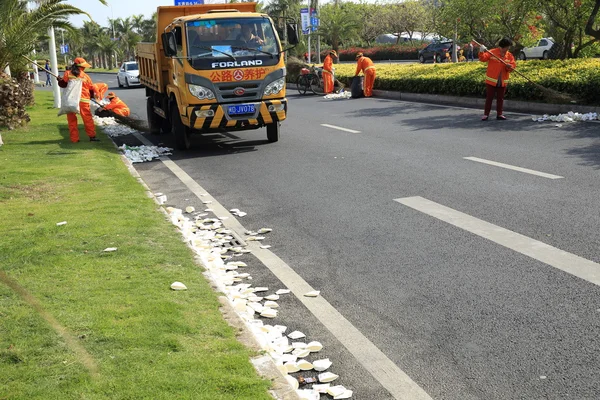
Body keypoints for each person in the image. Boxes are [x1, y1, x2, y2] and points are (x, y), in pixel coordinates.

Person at [57, 57, 100, 142]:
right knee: (87, 119)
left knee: (71, 120)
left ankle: (74, 139)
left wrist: (59, 80)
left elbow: (63, 84)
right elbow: (91, 88)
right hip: (83, 100)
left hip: (71, 101)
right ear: (81, 67)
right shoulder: (85, 76)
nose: (84, 68)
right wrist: (92, 96)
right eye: (84, 66)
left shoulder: (68, 73)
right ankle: (92, 137)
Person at [479, 37, 516, 121]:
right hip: (491, 81)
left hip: (503, 81)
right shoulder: (492, 52)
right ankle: (486, 114)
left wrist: (510, 66)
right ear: (502, 46)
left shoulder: (509, 55)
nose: (508, 49)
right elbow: (483, 58)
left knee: (500, 98)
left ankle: (499, 114)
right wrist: (481, 51)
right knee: (489, 98)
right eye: (507, 47)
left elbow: (513, 65)